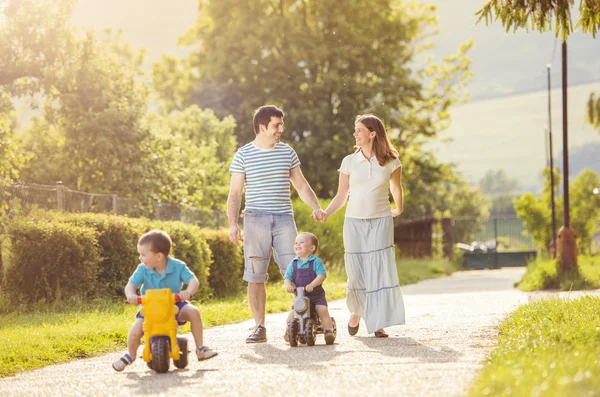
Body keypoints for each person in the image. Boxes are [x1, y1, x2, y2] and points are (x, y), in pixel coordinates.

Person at [227, 105, 326, 343]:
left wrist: (316, 207)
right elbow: (235, 193)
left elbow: (301, 185)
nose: (281, 129)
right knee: (255, 276)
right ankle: (259, 327)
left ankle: (303, 320)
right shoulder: (243, 154)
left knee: (299, 271)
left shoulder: (287, 152)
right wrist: (233, 223)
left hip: (283, 219)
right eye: (276, 125)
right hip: (255, 219)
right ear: (262, 126)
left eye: (281, 124)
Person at [322, 114, 405, 337]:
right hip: (354, 223)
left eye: (359, 130)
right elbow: (341, 195)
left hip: (380, 221)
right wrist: (326, 213)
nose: (355, 134)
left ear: (372, 133)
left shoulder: (391, 161)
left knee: (377, 271)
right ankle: (356, 312)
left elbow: (396, 188)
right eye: (355, 130)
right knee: (357, 273)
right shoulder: (349, 161)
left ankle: (377, 322)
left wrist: (399, 208)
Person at [112, 230, 217, 372]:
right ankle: (130, 355)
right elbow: (131, 285)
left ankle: (200, 348)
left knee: (193, 312)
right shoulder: (142, 269)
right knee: (136, 331)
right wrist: (131, 295)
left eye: (143, 254)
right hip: (150, 308)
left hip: (175, 304)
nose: (140, 258)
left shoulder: (178, 266)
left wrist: (188, 292)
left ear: (159, 256)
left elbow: (193, 281)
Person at [283, 232, 335, 344]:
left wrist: (312, 284)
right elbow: (287, 277)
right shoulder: (293, 263)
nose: (297, 244)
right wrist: (288, 285)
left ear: (312, 248)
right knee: (290, 317)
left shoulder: (316, 262)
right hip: (300, 297)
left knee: (322, 310)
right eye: (296, 242)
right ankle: (290, 331)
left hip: (316, 296)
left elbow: (322, 275)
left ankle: (328, 331)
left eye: (301, 242)